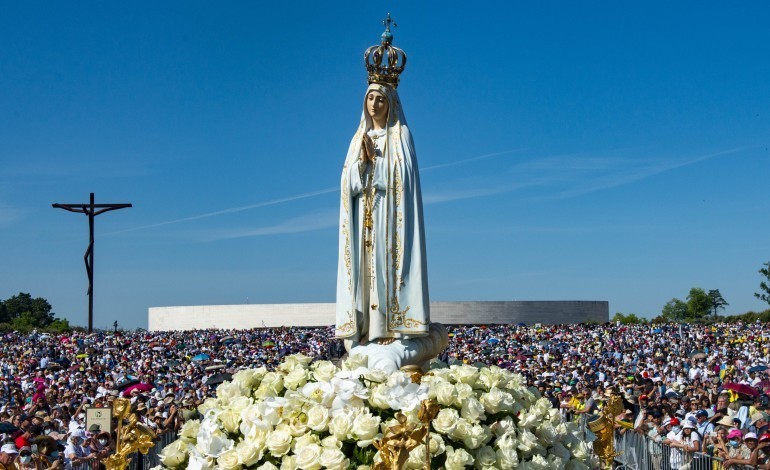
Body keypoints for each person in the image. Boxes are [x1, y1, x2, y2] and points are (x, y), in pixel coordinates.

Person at [335, 28, 429, 347]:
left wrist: (377, 163)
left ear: (391, 102)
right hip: (365, 214)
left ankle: (387, 326)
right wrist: (362, 163)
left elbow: (404, 175)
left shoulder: (400, 136)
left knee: (386, 267)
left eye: (380, 98)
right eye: (370, 98)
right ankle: (364, 326)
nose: (374, 104)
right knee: (365, 269)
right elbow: (347, 184)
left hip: (389, 214)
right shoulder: (356, 139)